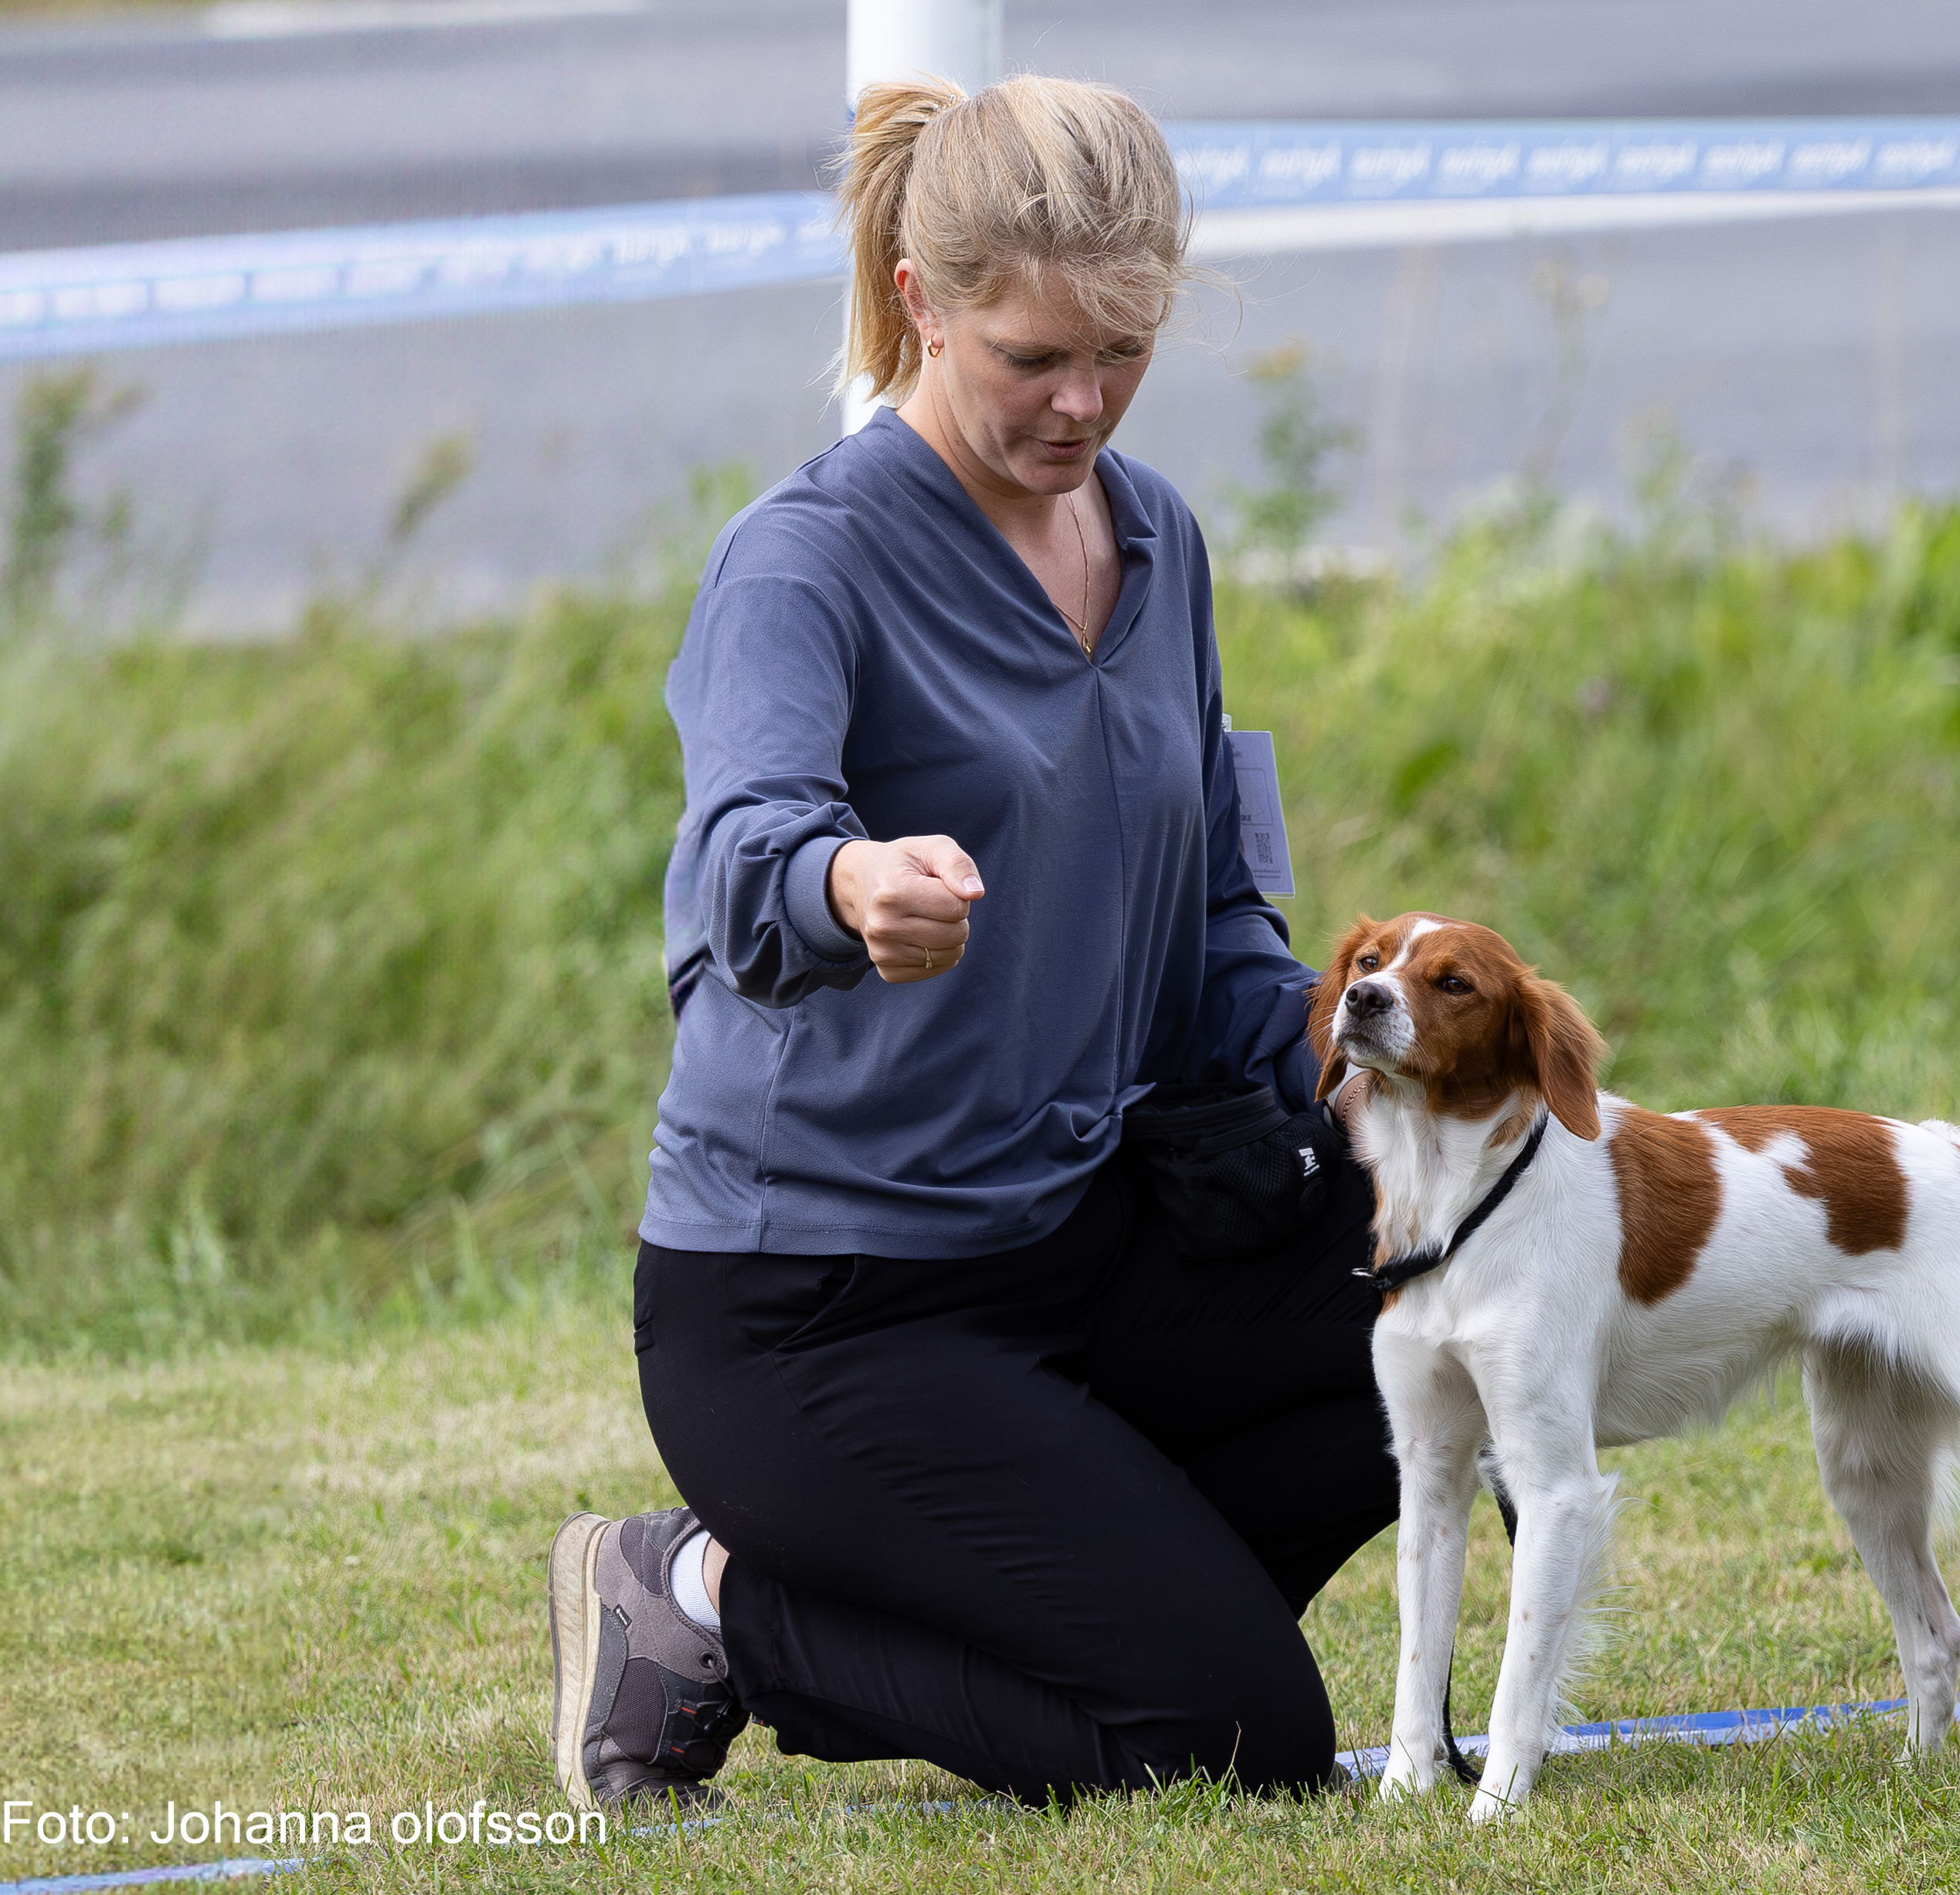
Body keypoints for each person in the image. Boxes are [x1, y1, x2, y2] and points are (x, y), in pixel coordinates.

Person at [544, 73, 1398, 1814]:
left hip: (1089, 1247)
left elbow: (1220, 933)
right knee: (1236, 1745)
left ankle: (1088, 1607)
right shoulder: (802, 562)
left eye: (1124, 354)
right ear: (924, 306)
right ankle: (701, 1599)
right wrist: (846, 892)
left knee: (1455, 1311)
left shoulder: (1160, 542)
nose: (1081, 403)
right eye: (1032, 361)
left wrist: (1367, 1064)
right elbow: (736, 866)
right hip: (824, 1315)